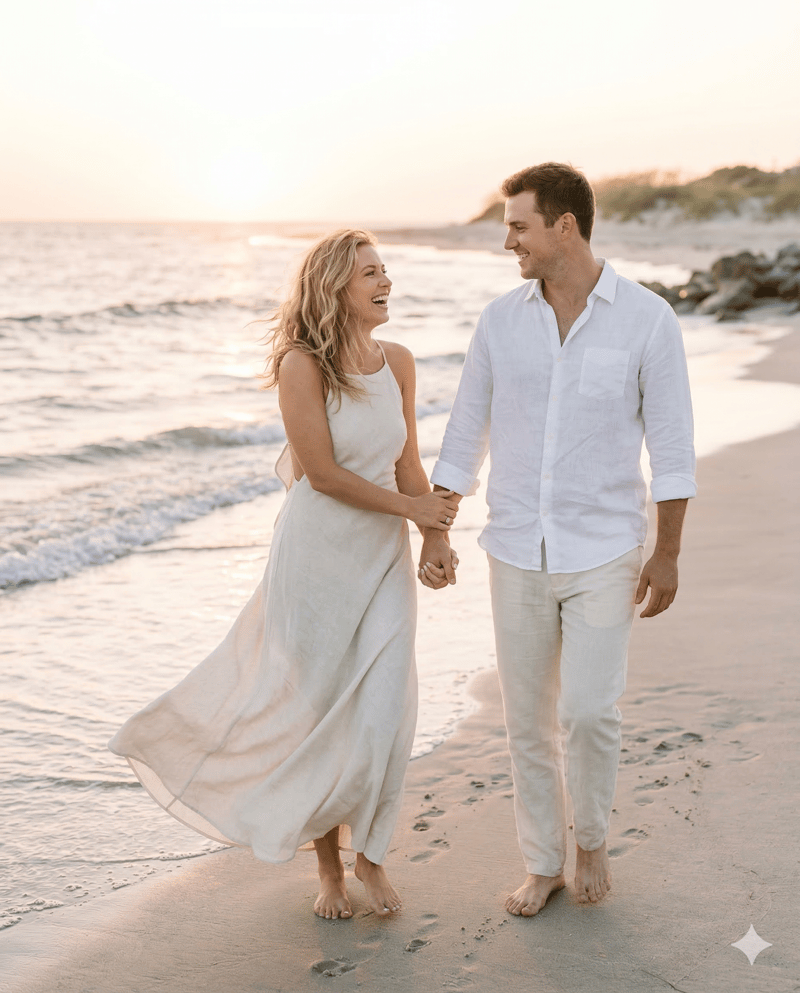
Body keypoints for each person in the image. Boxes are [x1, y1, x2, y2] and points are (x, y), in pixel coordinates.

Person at [110, 229, 459, 920]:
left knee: (386, 709)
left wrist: (434, 534)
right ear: (334, 288)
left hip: (382, 556)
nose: (385, 281)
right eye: (369, 273)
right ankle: (330, 870)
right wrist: (412, 507)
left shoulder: (399, 362)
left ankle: (373, 855)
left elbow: (407, 461)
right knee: (317, 712)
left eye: (385, 269)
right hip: (317, 561)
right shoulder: (303, 366)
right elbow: (323, 477)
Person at [418, 163, 696, 916]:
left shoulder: (647, 319)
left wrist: (666, 550)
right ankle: (543, 859)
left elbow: (671, 447)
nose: (508, 240)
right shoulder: (499, 322)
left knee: (589, 711)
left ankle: (592, 837)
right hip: (514, 549)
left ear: (563, 226)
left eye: (518, 226)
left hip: (606, 548)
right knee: (527, 721)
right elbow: (462, 435)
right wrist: (437, 530)